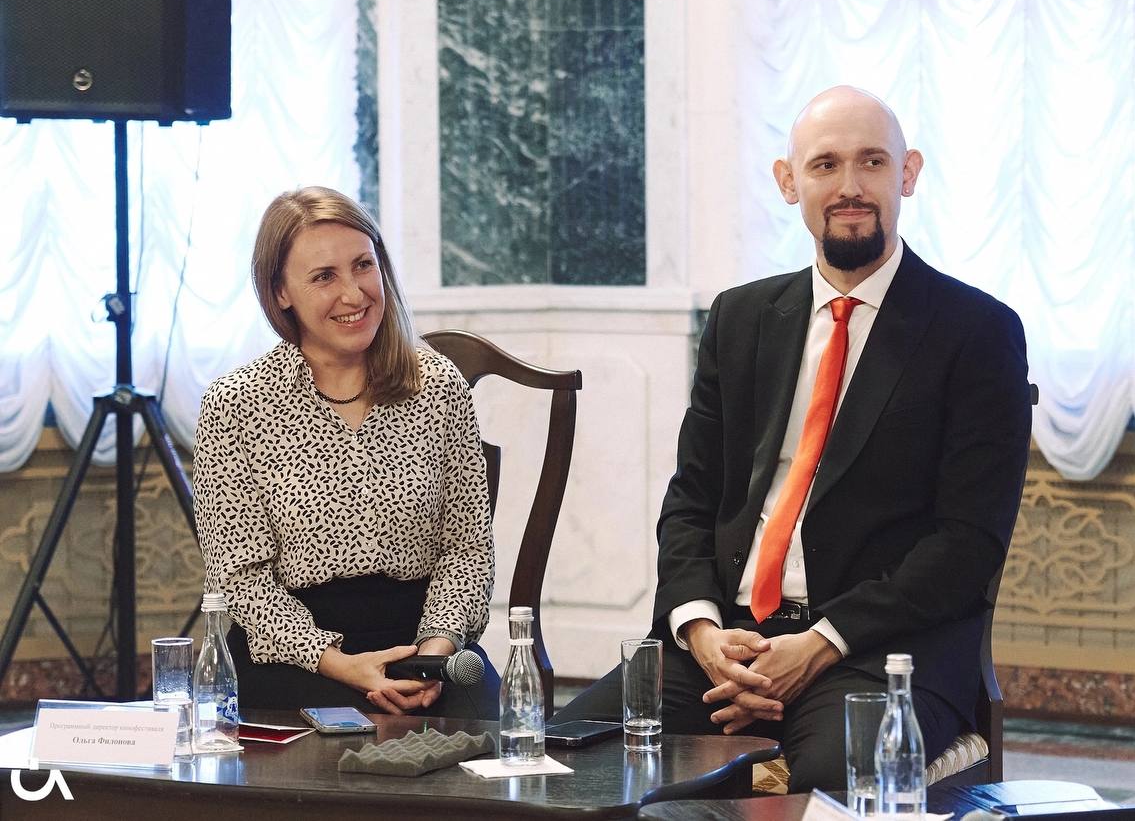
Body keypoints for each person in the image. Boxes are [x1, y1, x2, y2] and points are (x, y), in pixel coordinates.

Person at [553, 86, 1032, 792]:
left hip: (875, 651)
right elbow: (692, 500)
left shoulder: (977, 332)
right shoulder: (741, 318)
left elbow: (967, 542)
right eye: (825, 165)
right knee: (559, 759)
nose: (849, 186)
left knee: (828, 788)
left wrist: (818, 644)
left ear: (908, 174)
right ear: (788, 182)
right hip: (728, 641)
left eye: (872, 162)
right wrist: (702, 633)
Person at [194, 186, 499, 717]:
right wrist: (342, 664)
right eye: (323, 277)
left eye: (363, 265)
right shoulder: (236, 404)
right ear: (280, 292)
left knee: (487, 735)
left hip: (424, 642)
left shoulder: (438, 385)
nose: (354, 294)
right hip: (293, 657)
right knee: (347, 743)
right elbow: (240, 579)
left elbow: (467, 550)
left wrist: (431, 657)